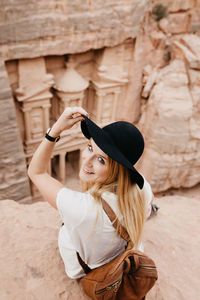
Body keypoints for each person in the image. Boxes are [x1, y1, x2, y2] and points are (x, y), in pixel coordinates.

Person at [28, 106, 154, 279]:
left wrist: (55, 130)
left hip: (86, 269)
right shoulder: (143, 189)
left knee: (66, 227)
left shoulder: (82, 208)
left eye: (101, 160)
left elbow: (36, 172)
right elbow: (145, 212)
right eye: (89, 147)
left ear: (119, 170)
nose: (87, 160)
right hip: (124, 254)